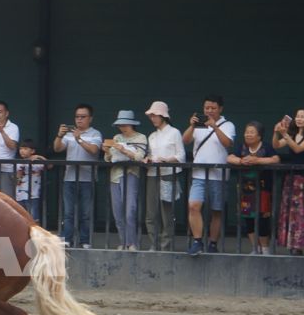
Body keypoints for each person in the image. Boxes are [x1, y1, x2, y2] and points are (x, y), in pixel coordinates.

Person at [183, 95, 235, 255]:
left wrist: (215, 127)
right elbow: (185, 141)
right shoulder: (198, 124)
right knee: (193, 206)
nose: (209, 111)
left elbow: (228, 143)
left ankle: (212, 243)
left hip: (218, 175)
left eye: (213, 108)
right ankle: (198, 241)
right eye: (207, 108)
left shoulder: (228, 125)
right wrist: (191, 126)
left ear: (220, 108)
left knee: (216, 210)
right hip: (199, 173)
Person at [272, 109, 304, 255]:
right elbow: (276, 145)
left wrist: (284, 134)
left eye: (303, 116)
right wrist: (276, 132)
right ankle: (294, 245)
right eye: (297, 116)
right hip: (292, 179)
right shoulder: (293, 134)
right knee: (292, 213)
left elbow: (298, 148)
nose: (299, 119)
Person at [226, 121, 279, 254]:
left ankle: (265, 248)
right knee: (248, 219)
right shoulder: (241, 147)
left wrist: (257, 160)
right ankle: (255, 248)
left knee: (263, 219)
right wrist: (240, 161)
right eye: (246, 132)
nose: (248, 135)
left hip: (263, 189)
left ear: (259, 136)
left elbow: (275, 159)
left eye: (251, 132)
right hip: (245, 190)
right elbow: (229, 157)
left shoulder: (266, 147)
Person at [56, 104, 103, 249]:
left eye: (83, 117)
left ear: (90, 118)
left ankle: (84, 241)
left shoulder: (95, 134)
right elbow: (57, 148)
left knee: (86, 213)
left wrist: (79, 139)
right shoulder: (69, 133)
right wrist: (59, 135)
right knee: (68, 212)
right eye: (77, 117)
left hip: (87, 179)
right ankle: (67, 239)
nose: (79, 120)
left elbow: (94, 150)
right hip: (69, 178)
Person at [100, 110, 147, 250]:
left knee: (130, 210)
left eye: (124, 124)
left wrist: (124, 150)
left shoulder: (141, 137)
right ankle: (123, 241)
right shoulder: (116, 137)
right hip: (115, 176)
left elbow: (139, 157)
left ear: (131, 124)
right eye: (120, 124)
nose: (121, 127)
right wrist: (107, 151)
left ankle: (132, 243)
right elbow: (108, 159)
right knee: (118, 211)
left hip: (131, 174)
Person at [143, 101, 184, 251]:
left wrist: (166, 160)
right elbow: (150, 154)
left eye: (155, 115)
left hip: (168, 174)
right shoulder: (152, 136)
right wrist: (147, 158)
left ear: (163, 116)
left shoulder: (174, 132)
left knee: (167, 212)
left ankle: (166, 245)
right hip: (152, 174)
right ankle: (153, 244)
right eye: (151, 115)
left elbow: (181, 156)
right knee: (151, 212)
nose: (152, 118)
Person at [13, 137, 48, 222]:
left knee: (33, 219)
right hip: (19, 195)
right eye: (21, 149)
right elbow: (16, 178)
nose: (22, 151)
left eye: (25, 149)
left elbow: (49, 165)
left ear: (32, 151)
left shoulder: (37, 163)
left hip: (33, 195)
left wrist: (39, 157)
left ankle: (35, 234)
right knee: (20, 218)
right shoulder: (17, 163)